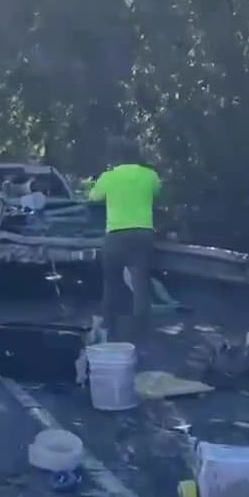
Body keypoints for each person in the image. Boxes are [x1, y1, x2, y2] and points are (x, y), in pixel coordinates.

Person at [87, 138, 162, 347]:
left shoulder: (109, 177)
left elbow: (92, 197)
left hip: (116, 235)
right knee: (140, 285)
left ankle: (109, 328)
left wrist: (93, 185)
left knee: (111, 283)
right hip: (143, 234)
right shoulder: (150, 176)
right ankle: (140, 335)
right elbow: (158, 195)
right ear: (138, 154)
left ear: (116, 156)